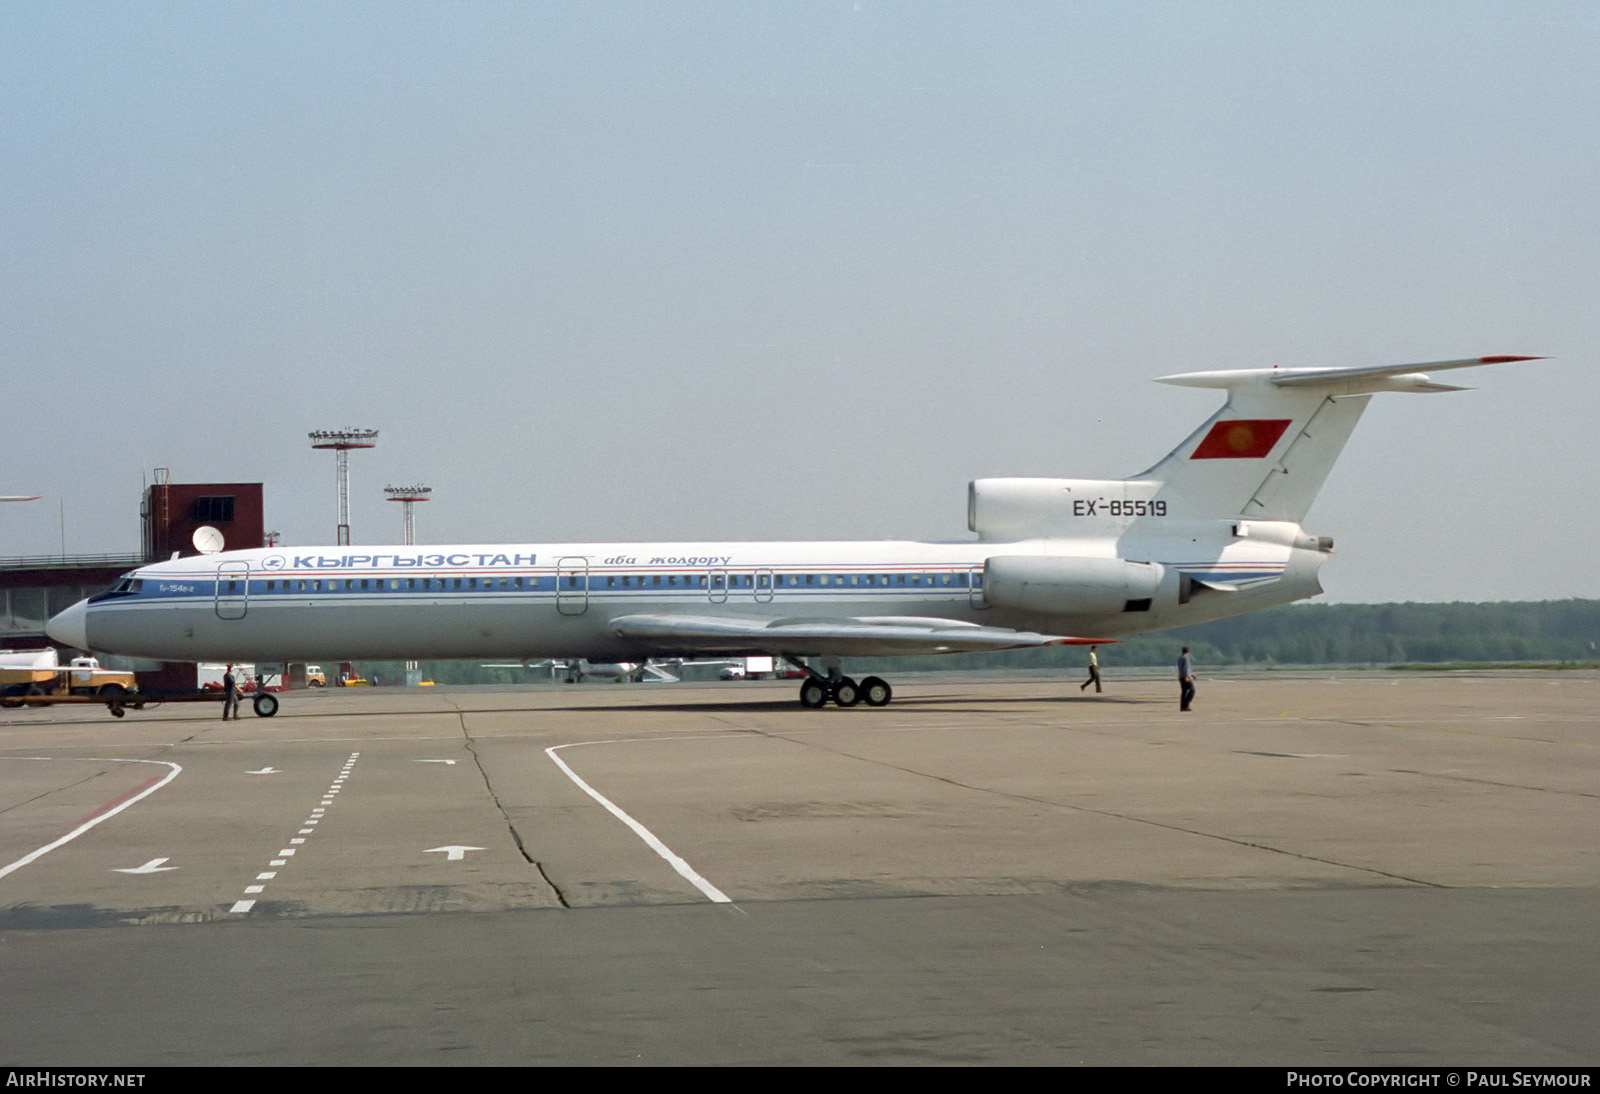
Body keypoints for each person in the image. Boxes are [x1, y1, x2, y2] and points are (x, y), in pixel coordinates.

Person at [1178, 647, 1196, 711]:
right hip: (1185, 677)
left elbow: (1184, 668)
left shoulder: (1180, 658)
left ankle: (1182, 707)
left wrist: (1192, 674)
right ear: (1188, 652)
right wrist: (1187, 676)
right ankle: (1186, 705)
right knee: (1192, 690)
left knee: (1184, 692)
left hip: (1181, 677)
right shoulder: (1186, 658)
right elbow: (1186, 668)